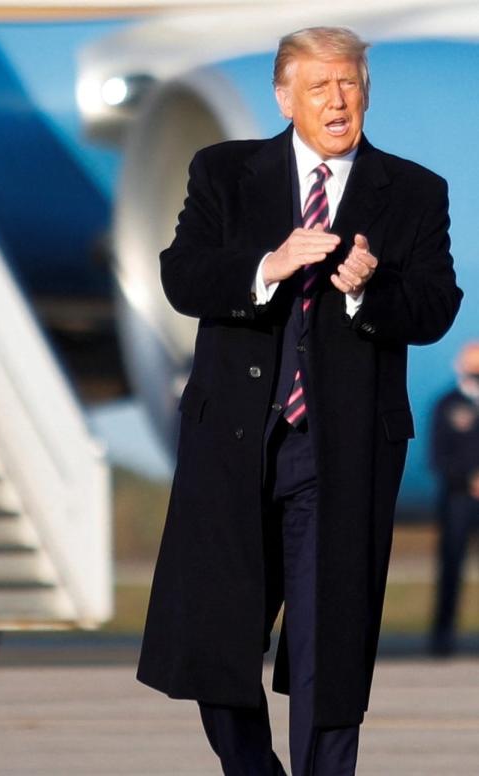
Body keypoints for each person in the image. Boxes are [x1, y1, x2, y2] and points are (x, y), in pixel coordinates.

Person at [137, 27, 461, 775]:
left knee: (329, 654)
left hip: (340, 455)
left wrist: (368, 293)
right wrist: (267, 266)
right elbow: (183, 276)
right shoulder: (224, 173)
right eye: (319, 87)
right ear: (285, 97)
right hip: (234, 448)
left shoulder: (413, 191)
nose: (338, 100)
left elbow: (436, 306)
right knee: (215, 649)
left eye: (348, 84)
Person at [428, 342, 479, 656]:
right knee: (451, 566)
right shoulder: (447, 404)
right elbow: (438, 456)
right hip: (458, 498)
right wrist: (469, 479)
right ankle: (442, 635)